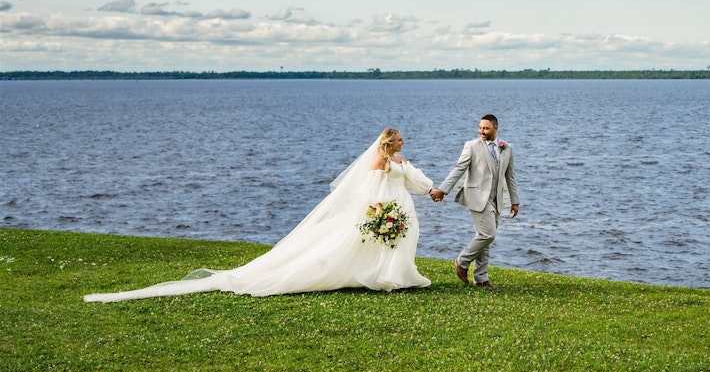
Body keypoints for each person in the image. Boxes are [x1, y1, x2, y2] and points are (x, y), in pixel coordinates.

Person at [84, 128, 434, 302]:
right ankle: (386, 278)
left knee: (398, 243)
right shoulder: (377, 160)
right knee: (358, 246)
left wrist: (431, 188)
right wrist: (377, 210)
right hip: (382, 208)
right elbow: (368, 190)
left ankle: (399, 275)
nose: (404, 141)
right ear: (389, 142)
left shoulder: (399, 161)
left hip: (400, 206)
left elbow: (415, 180)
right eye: (400, 139)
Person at [430, 114, 519, 287]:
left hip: (497, 199)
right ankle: (462, 261)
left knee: (484, 238)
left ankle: (481, 278)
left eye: (485, 128)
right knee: (488, 234)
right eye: (480, 128)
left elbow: (510, 176)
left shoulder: (507, 148)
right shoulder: (471, 146)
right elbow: (459, 169)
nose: (481, 131)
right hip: (477, 197)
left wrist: (515, 201)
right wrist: (443, 190)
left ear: (495, 128)